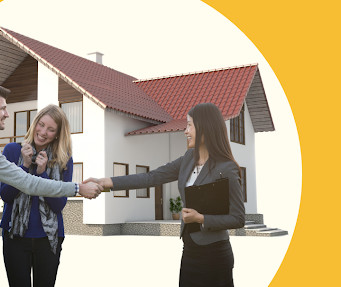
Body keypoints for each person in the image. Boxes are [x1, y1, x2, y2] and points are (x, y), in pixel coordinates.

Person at [0, 83, 101, 287]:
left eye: (51, 129)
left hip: (42, 238)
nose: (7, 113)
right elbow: (16, 189)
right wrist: (76, 187)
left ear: (58, 134)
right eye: (3, 108)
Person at [84, 102, 245, 287]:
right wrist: (107, 182)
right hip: (190, 251)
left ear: (205, 127)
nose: (185, 131)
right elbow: (150, 177)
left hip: (215, 254)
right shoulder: (187, 160)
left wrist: (201, 218)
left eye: (190, 125)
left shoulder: (226, 168)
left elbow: (238, 218)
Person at [0, 104, 73, 287]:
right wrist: (24, 167)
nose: (42, 132)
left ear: (57, 134)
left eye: (50, 129)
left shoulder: (64, 159)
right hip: (14, 237)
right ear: (34, 123)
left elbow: (58, 206)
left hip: (48, 239)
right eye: (41, 124)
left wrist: (42, 173)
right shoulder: (12, 150)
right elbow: (6, 196)